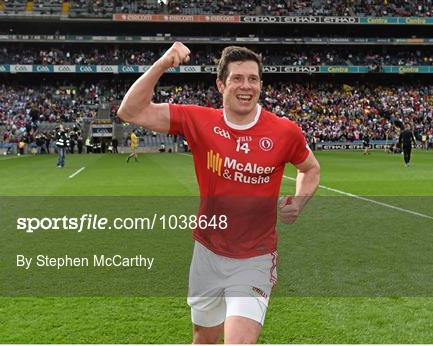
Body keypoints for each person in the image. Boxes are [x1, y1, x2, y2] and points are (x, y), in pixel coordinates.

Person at [117, 42, 320, 344]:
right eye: (237, 78)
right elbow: (130, 111)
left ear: (261, 85)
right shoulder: (199, 120)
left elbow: (310, 169)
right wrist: (163, 62)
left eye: (253, 79)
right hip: (207, 253)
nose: (246, 86)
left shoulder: (284, 131)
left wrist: (299, 203)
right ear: (221, 84)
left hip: (256, 256)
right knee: (204, 338)